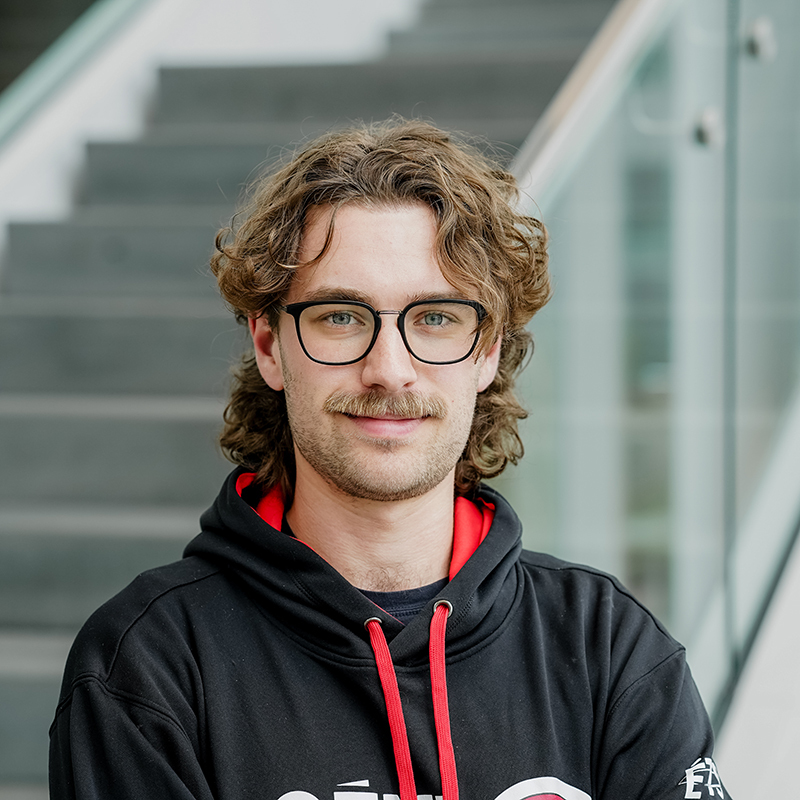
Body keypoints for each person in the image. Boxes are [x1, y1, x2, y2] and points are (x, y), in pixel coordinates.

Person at [50, 119, 729, 800]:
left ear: (487, 350)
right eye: (341, 316)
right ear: (268, 345)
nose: (389, 370)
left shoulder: (608, 648)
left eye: (435, 317)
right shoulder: (148, 667)